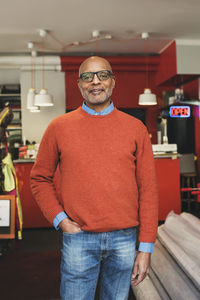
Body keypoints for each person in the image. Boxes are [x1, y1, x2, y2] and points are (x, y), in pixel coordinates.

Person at [30, 56, 158, 300]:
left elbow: (148, 190)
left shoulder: (136, 128)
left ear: (113, 81)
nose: (95, 82)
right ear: (79, 85)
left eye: (102, 75)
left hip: (124, 238)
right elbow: (39, 179)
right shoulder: (59, 127)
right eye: (87, 77)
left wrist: (146, 247)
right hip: (79, 237)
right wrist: (61, 220)